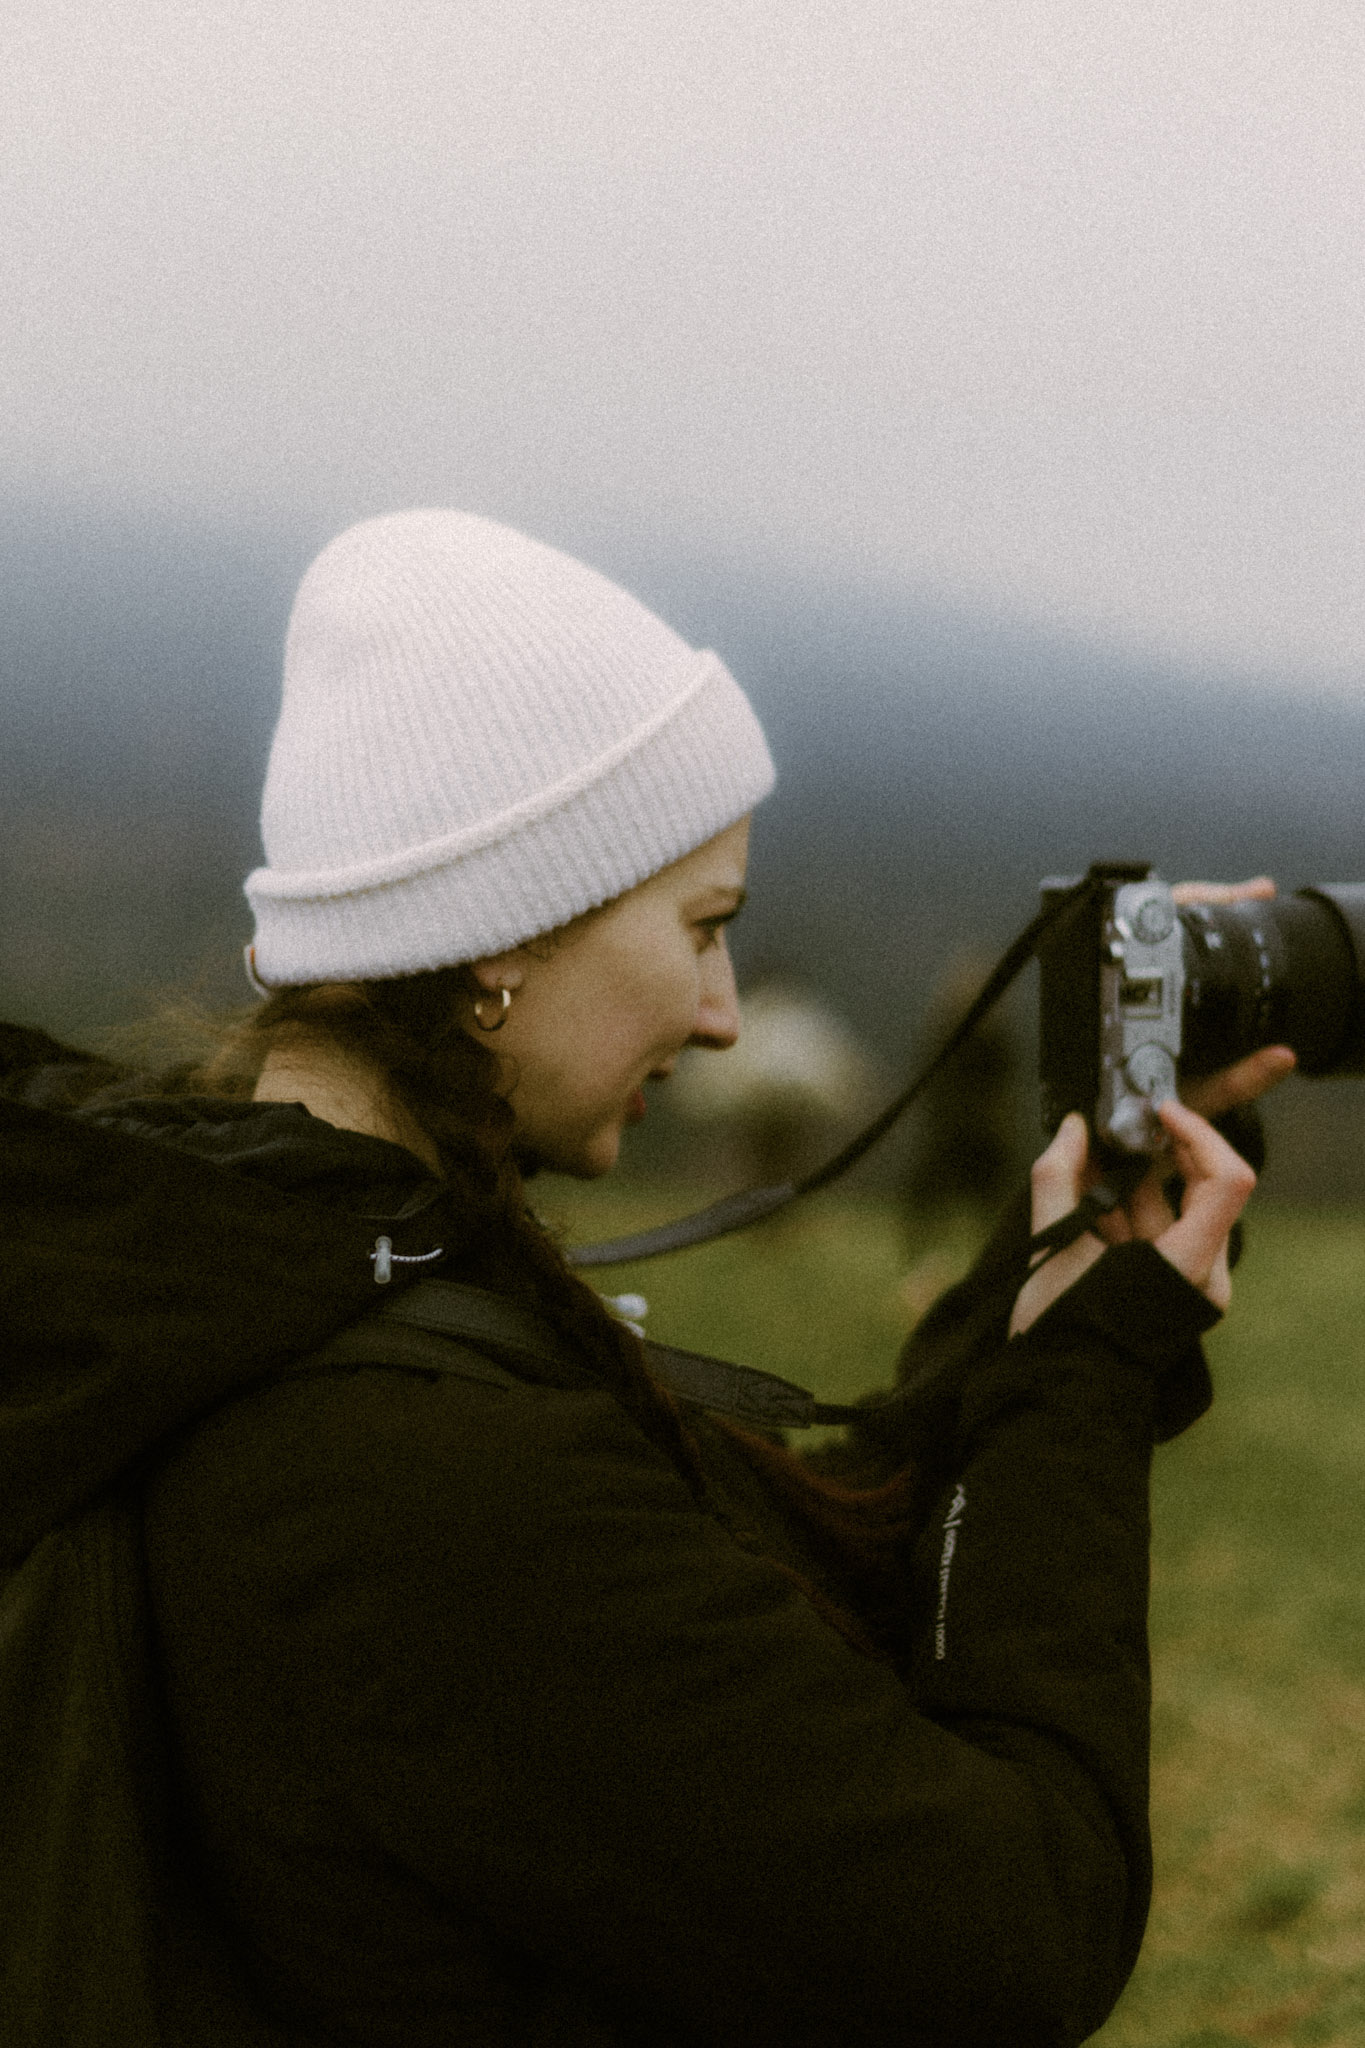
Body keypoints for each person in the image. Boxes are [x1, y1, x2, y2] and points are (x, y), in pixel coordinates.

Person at [0, 510, 1293, 2048]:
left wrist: (1054, 1312)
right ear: (506, 939)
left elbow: (725, 1612)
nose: (724, 1012)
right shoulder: (398, 1465)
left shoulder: (249, 1261)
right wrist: (1071, 1393)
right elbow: (1010, 1930)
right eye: (703, 927)